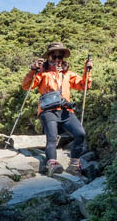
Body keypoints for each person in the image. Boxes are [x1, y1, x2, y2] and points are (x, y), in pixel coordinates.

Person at [22, 42, 92, 177]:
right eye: (54, 57)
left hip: (66, 111)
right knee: (52, 138)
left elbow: (84, 86)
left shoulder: (68, 74)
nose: (58, 60)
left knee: (80, 134)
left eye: (60, 57)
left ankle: (74, 165)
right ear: (48, 57)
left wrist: (87, 70)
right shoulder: (42, 73)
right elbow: (26, 86)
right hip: (48, 111)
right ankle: (52, 164)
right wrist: (33, 70)